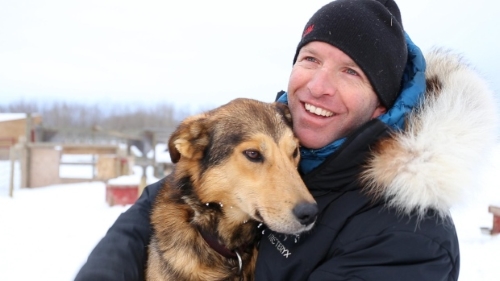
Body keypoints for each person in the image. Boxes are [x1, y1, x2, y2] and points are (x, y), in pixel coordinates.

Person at [75, 0, 498, 280]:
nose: (318, 86)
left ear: (380, 107)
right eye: (310, 59)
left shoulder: (409, 238)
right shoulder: (292, 136)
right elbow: (162, 197)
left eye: (351, 72)